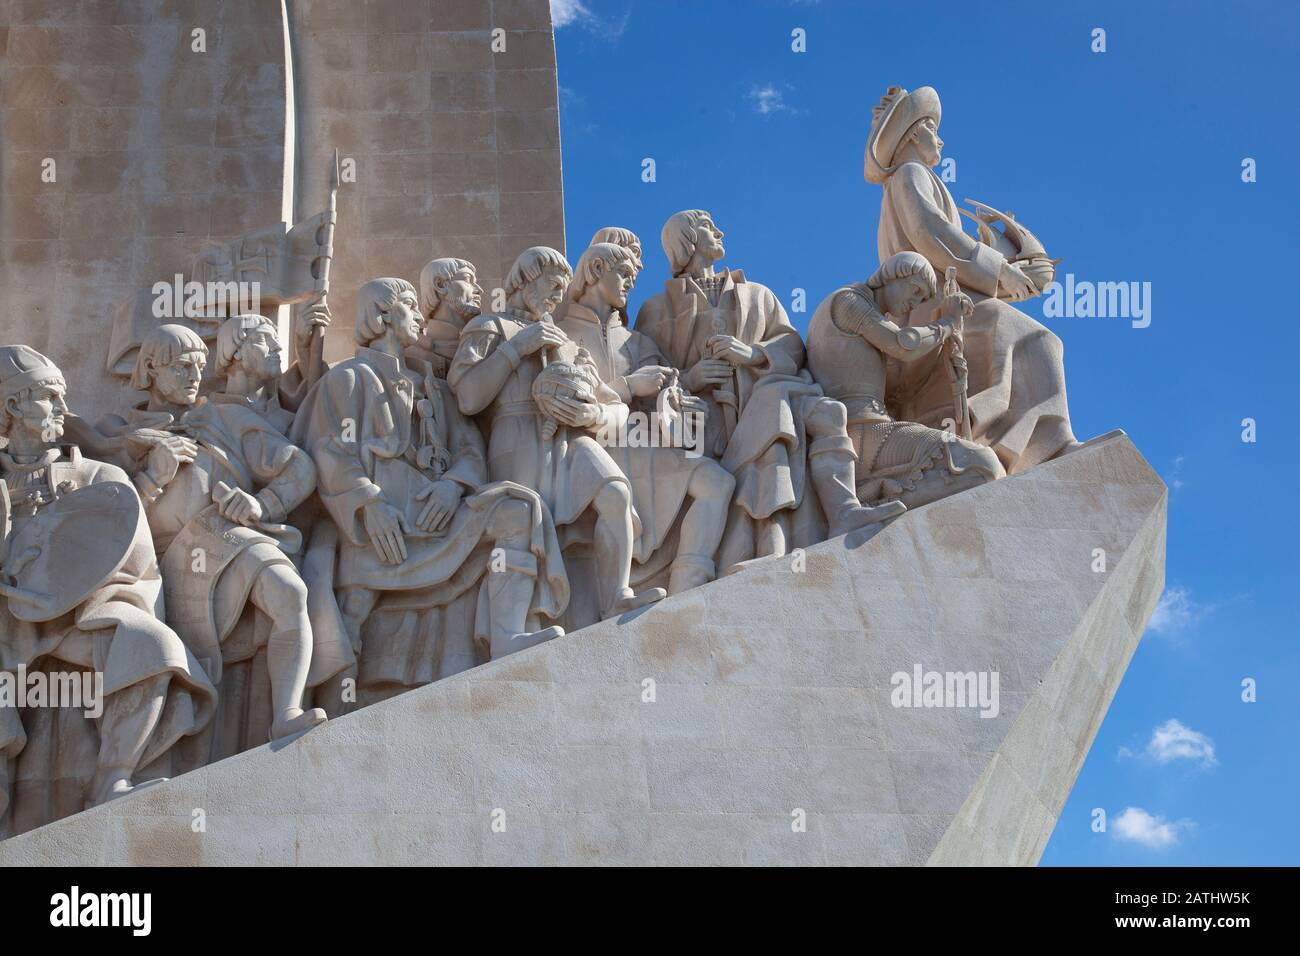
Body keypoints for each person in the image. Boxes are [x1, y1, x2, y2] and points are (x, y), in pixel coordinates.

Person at [290, 278, 568, 711]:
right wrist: (368, 504)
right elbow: (330, 451)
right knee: (353, 603)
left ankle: (508, 637)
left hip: (436, 514)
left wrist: (452, 483)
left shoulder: (433, 388)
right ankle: (331, 708)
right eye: (408, 306)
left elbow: (470, 450)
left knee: (517, 510)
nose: (420, 314)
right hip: (382, 523)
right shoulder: (348, 378)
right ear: (382, 316)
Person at [0, 345, 216, 832]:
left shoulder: (100, 477)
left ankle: (112, 779)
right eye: (50, 397)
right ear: (13, 407)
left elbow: (135, 564)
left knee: (152, 645)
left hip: (76, 615)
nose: (63, 409)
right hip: (5, 622)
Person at [635, 210, 904, 572]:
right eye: (707, 227)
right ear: (686, 240)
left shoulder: (757, 294)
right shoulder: (656, 310)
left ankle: (843, 510)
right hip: (708, 425)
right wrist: (692, 377)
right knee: (776, 413)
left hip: (768, 395)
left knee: (825, 412)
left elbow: (791, 344)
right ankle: (774, 544)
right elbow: (644, 383)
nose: (720, 231)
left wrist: (753, 354)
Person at [864, 85, 1112, 473]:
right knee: (1036, 337)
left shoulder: (919, 178)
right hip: (926, 308)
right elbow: (933, 235)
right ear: (913, 133)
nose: (940, 139)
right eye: (932, 128)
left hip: (943, 302)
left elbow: (946, 247)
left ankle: (1027, 441)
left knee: (1026, 333)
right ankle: (1045, 445)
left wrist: (1003, 275)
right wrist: (1000, 271)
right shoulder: (910, 174)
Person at [449, 247, 665, 619]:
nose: (557, 297)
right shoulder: (489, 327)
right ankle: (515, 627)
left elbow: (613, 404)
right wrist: (517, 348)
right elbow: (469, 397)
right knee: (527, 525)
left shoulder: (565, 342)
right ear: (526, 280)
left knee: (615, 491)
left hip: (571, 437)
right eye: (552, 286)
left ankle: (617, 594)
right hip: (515, 438)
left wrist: (591, 411)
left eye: (563, 289)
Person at [558, 241, 735, 594]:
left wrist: (687, 394)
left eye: (632, 278)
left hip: (642, 442)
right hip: (589, 447)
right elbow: (565, 401)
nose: (629, 284)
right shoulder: (560, 333)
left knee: (718, 483)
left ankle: (689, 587)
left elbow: (666, 393)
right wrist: (627, 385)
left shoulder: (637, 341)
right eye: (623, 274)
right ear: (595, 271)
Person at [807, 252, 1005, 508]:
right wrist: (948, 322)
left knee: (979, 468)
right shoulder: (848, 302)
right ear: (892, 274)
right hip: (864, 434)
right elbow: (903, 344)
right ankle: (877, 505)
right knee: (981, 463)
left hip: (872, 433)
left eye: (922, 299)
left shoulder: (864, 316)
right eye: (915, 290)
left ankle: (880, 500)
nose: (914, 303)